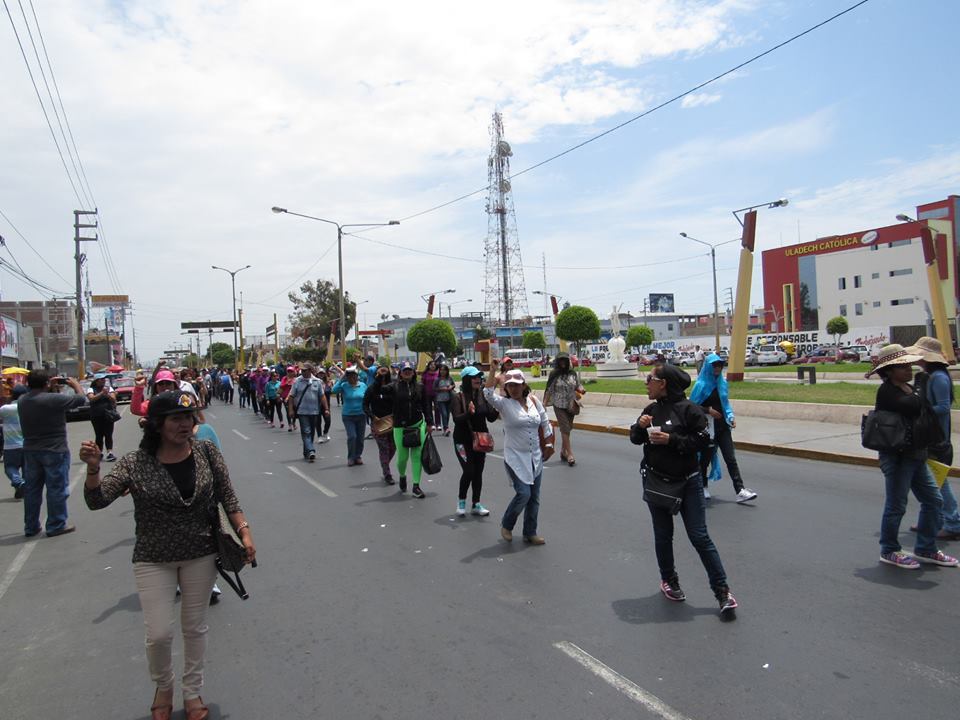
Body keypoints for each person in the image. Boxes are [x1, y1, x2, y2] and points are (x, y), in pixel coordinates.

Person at [81, 390, 255, 720]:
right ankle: (164, 686)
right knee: (159, 633)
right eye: (176, 418)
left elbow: (228, 497)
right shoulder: (135, 462)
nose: (185, 424)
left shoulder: (206, 452)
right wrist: (93, 470)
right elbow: (97, 500)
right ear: (157, 425)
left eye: (189, 418)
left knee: (195, 627)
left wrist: (244, 531)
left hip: (201, 553)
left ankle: (192, 692)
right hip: (153, 557)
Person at [630, 363, 739, 615]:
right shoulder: (651, 410)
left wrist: (671, 439)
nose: (646, 383)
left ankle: (722, 591)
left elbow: (702, 440)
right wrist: (639, 425)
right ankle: (669, 580)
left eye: (650, 378)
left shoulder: (689, 410)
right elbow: (635, 438)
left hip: (688, 482)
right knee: (663, 535)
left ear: (663, 383)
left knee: (699, 536)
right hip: (657, 481)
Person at [867, 344, 957, 568]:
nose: (909, 369)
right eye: (903, 366)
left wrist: (918, 388)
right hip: (897, 456)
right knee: (896, 505)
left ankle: (926, 548)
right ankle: (889, 550)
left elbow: (925, 407)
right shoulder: (888, 391)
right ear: (889, 371)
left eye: (909, 365)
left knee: (934, 500)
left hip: (916, 453)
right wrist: (920, 386)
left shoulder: (907, 387)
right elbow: (917, 407)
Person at [483, 362, 552, 544]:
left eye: (517, 384)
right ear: (506, 387)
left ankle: (530, 532)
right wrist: (492, 372)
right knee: (524, 494)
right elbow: (487, 394)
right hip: (515, 456)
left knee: (534, 497)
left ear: (524, 385)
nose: (514, 388)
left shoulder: (534, 401)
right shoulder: (504, 404)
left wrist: (550, 445)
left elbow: (545, 422)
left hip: (535, 456)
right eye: (510, 385)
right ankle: (507, 524)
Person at [18, 370, 88, 537]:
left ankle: (31, 526)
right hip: (55, 450)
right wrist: (75, 384)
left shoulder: (23, 400)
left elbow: (42, 399)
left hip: (31, 450)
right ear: (46, 383)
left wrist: (50, 386)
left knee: (32, 490)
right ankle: (56, 524)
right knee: (56, 488)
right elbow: (80, 399)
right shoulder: (52, 399)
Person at [906, 336, 960, 540]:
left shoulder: (938, 377)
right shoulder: (929, 375)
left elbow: (944, 407)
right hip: (930, 435)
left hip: (936, 438)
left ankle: (953, 522)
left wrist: (921, 411)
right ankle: (931, 520)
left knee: (938, 480)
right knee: (930, 481)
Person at [688, 353, 757, 503]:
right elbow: (691, 407)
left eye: (720, 365)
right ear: (708, 367)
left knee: (730, 458)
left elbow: (725, 404)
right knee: (704, 460)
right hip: (707, 428)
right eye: (714, 365)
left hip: (723, 427)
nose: (717, 368)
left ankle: (740, 490)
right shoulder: (701, 385)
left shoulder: (722, 383)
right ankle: (703, 486)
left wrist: (730, 417)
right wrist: (708, 410)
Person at [452, 365, 498, 516]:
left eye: (479, 376)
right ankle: (461, 502)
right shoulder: (458, 397)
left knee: (478, 472)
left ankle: (476, 504)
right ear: (466, 380)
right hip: (462, 441)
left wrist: (497, 406)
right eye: (474, 377)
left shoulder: (483, 395)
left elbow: (491, 418)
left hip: (481, 440)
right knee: (469, 470)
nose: (478, 379)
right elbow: (457, 419)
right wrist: (469, 413)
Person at [391, 361, 430, 497]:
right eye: (404, 370)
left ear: (413, 372)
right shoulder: (394, 387)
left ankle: (416, 486)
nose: (407, 372)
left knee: (416, 456)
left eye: (410, 370)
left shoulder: (420, 387)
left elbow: (426, 405)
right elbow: (376, 391)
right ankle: (402, 475)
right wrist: (380, 377)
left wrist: (429, 423)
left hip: (418, 425)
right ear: (400, 373)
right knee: (402, 458)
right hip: (400, 427)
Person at [544, 352, 585, 467]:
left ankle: (563, 452)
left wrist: (582, 389)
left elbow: (577, 384)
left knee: (568, 429)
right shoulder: (554, 374)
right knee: (565, 428)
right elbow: (549, 390)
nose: (563, 363)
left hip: (571, 404)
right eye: (560, 360)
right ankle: (570, 454)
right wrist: (544, 404)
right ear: (557, 362)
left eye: (564, 360)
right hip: (559, 404)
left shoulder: (572, 373)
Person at [288, 363, 329, 462]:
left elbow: (322, 396)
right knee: (306, 431)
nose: (303, 372)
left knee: (311, 433)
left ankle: (306, 451)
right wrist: (291, 410)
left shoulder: (317, 381)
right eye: (302, 370)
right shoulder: (297, 381)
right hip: (302, 411)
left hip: (314, 411)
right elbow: (291, 396)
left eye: (305, 370)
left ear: (310, 370)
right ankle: (311, 450)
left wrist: (326, 408)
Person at [363, 364, 397, 484]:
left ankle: (385, 464)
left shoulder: (393, 387)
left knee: (393, 447)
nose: (382, 374)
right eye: (379, 372)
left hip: (393, 422)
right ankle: (387, 473)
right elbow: (365, 405)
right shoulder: (372, 388)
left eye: (384, 371)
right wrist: (372, 416)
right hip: (378, 422)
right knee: (384, 448)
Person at [330, 365, 368, 466]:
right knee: (352, 436)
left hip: (361, 415)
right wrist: (342, 378)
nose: (352, 378)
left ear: (357, 376)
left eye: (353, 375)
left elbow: (368, 397)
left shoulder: (363, 385)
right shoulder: (344, 385)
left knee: (360, 438)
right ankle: (351, 457)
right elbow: (333, 391)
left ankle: (358, 456)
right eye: (349, 376)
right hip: (348, 416)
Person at [1, 384, 29, 499]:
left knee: (10, 468)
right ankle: (24, 486)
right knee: (27, 469)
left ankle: (18, 482)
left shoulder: (5, 409)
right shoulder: (30, 407)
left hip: (11, 446)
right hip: (28, 445)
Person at [87, 373, 119, 462]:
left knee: (108, 434)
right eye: (101, 379)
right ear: (96, 381)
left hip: (108, 415)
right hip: (96, 415)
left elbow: (113, 399)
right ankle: (99, 452)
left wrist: (107, 394)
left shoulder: (109, 388)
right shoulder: (91, 389)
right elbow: (91, 399)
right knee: (99, 435)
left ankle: (110, 452)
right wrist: (101, 393)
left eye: (104, 379)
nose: (103, 381)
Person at [434, 364, 456, 436]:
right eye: (441, 370)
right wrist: (442, 389)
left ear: (447, 371)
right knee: (444, 414)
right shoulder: (437, 380)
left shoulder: (449, 378)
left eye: (444, 370)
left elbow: (453, 385)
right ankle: (446, 428)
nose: (442, 372)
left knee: (447, 414)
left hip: (449, 399)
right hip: (440, 399)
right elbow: (434, 388)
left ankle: (446, 428)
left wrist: (451, 387)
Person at [421, 360, 440, 429]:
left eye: (434, 364)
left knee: (437, 408)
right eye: (431, 364)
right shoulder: (425, 374)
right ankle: (432, 423)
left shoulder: (438, 374)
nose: (432, 366)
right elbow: (422, 383)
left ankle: (438, 424)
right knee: (428, 409)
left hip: (436, 394)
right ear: (428, 366)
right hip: (427, 394)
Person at [278, 366, 297, 433]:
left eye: (291, 371)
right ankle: (290, 425)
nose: (289, 373)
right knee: (288, 411)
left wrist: (291, 382)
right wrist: (287, 383)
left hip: (294, 397)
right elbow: (281, 386)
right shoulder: (284, 378)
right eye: (288, 371)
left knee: (294, 411)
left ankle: (293, 422)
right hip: (285, 397)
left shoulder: (296, 379)